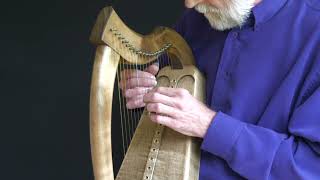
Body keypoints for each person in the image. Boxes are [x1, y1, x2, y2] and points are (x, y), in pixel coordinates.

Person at [120, 0, 320, 179]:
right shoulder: (198, 17)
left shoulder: (314, 31)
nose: (189, 4)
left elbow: (310, 167)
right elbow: (164, 79)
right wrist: (147, 88)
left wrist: (209, 125)